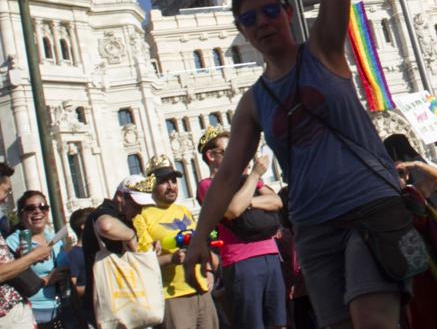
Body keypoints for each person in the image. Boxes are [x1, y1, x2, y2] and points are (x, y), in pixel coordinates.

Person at [186, 0, 414, 329]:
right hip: (313, 227)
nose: (262, 22)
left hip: (370, 206)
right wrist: (197, 241)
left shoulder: (324, 51)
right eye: (249, 19)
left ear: (287, 13)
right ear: (242, 32)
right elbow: (229, 174)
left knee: (374, 320)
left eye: (270, 11)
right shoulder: (253, 102)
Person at [197, 128, 286, 329]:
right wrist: (254, 175)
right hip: (241, 261)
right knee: (252, 323)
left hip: (269, 253)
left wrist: (249, 201)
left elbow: (276, 200)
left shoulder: (246, 181)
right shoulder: (208, 185)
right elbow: (233, 210)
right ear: (211, 156)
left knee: (278, 322)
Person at [134, 157, 218, 329]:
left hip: (201, 289)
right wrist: (170, 259)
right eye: (164, 182)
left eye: (174, 181)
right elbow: (142, 262)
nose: (171, 186)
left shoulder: (184, 210)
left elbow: (201, 242)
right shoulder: (142, 217)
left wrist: (208, 269)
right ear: (151, 185)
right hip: (172, 296)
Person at [83, 176, 148, 328]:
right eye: (136, 205)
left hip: (125, 302)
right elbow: (105, 225)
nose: (139, 211)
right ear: (120, 196)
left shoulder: (125, 218)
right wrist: (131, 236)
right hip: (108, 306)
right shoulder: (105, 213)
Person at [5, 191, 71, 329]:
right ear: (21, 215)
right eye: (30, 208)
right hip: (32, 315)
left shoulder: (54, 238)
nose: (37, 211)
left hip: (61, 310)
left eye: (43, 207)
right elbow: (9, 280)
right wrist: (45, 280)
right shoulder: (12, 243)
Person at [0, 165, 52, 329]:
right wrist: (32, 257)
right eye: (6, 191)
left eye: (43, 207)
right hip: (8, 315)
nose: (5, 198)